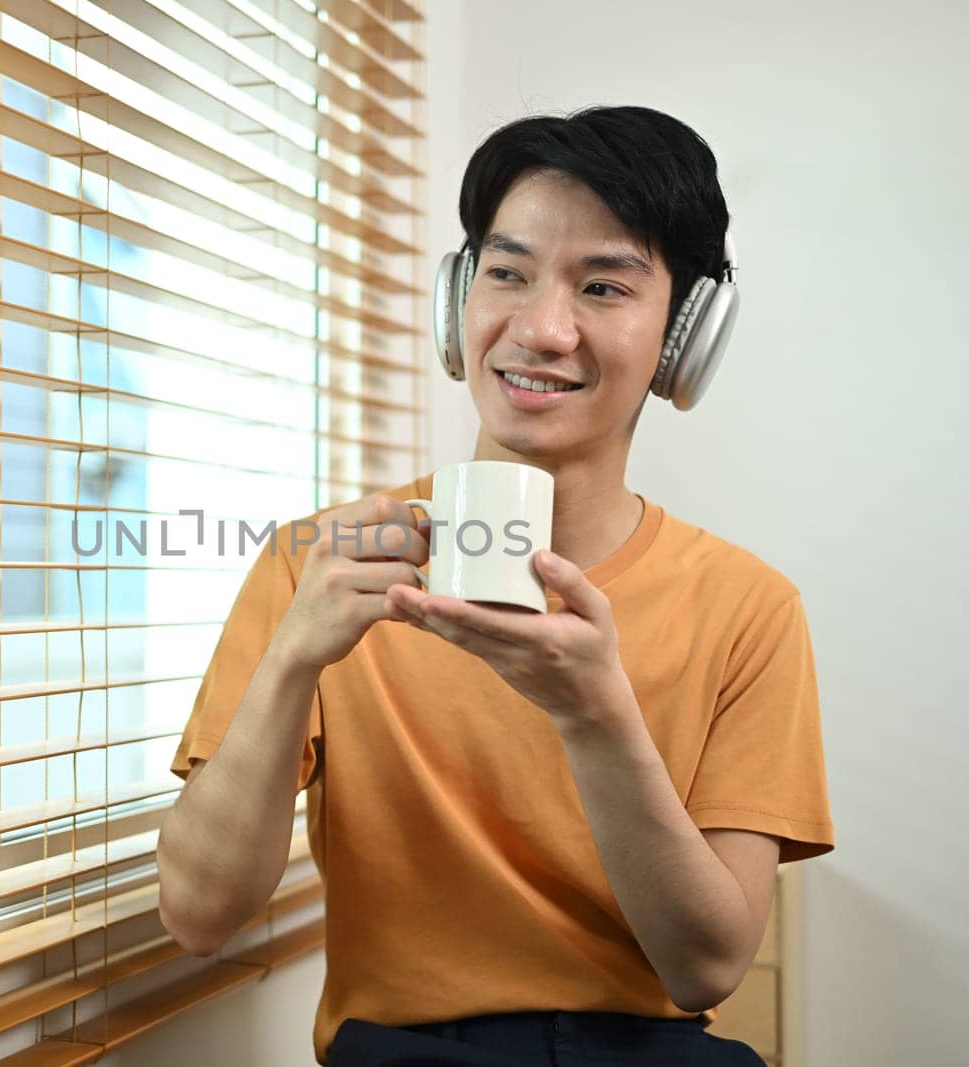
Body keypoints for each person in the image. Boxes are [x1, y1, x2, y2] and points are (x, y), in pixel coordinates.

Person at [155, 107, 835, 1066]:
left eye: (603, 285)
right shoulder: (323, 564)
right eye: (507, 274)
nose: (541, 328)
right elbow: (198, 914)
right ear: (457, 304)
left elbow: (708, 965)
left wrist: (597, 715)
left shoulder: (750, 607)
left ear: (685, 338)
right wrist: (292, 659)